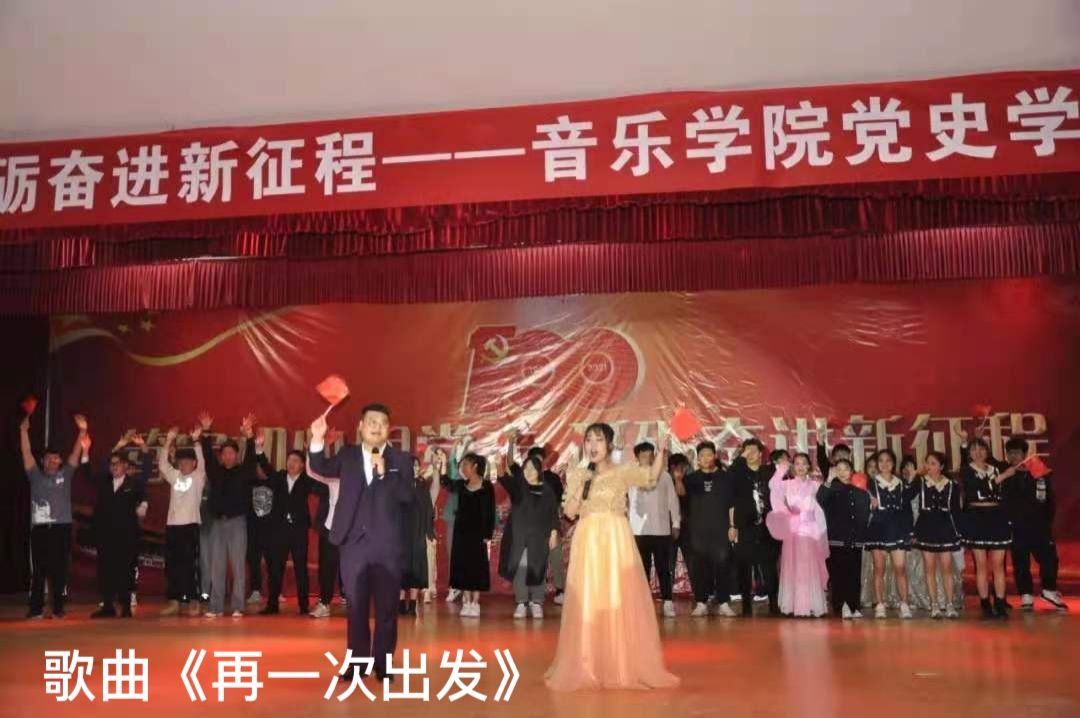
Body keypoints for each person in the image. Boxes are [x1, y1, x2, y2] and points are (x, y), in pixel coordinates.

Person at [545, 423, 678, 691]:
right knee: (589, 599)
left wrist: (662, 449)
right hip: (588, 540)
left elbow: (651, 476)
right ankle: (588, 663)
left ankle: (619, 663)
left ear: (609, 444)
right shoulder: (579, 473)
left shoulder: (623, 471)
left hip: (616, 539)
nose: (592, 445)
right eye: (588, 440)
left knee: (617, 598)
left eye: (598, 440)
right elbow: (570, 512)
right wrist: (581, 484)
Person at [308, 403, 415, 683]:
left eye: (382, 422)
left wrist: (385, 473)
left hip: (388, 547)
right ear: (360, 426)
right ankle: (357, 664)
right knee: (355, 609)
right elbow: (320, 467)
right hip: (353, 546)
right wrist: (317, 439)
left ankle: (383, 663)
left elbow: (408, 496)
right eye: (371, 421)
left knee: (387, 609)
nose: (376, 427)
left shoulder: (401, 459)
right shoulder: (348, 455)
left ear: (389, 429)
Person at [20, 413, 84, 620]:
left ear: (60, 461)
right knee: (38, 571)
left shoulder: (66, 474)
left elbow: (75, 454)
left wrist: (82, 431)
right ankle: (36, 608)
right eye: (49, 458)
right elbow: (26, 453)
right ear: (43, 461)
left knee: (59, 570)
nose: (53, 461)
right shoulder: (35, 476)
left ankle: (58, 608)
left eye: (56, 458)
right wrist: (23, 431)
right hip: (40, 528)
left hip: (61, 528)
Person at [199, 412, 258, 618]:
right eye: (224, 453)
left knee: (238, 566)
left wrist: (249, 436)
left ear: (236, 455)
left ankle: (238, 606)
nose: (227, 456)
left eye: (231, 453)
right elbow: (207, 455)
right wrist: (206, 431)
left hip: (237, 523)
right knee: (217, 567)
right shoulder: (215, 472)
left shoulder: (244, 472)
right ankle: (215, 607)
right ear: (221, 456)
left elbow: (251, 459)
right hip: (217, 523)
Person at [86, 432, 149, 618]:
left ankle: (126, 606)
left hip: (127, 536)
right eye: (111, 464)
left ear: (126, 466)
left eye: (118, 463)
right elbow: (87, 473)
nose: (114, 467)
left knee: (126, 570)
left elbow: (146, 472)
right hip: (106, 535)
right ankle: (108, 606)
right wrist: (116, 446)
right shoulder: (104, 482)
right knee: (105, 569)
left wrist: (143, 447)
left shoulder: (133, 483)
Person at [255, 438, 319, 615]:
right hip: (279, 530)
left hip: (298, 531)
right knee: (275, 568)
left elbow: (316, 473)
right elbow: (266, 467)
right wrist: (259, 448)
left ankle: (304, 606)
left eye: (296, 461)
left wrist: (310, 454)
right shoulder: (279, 477)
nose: (291, 463)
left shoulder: (306, 480)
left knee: (300, 569)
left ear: (302, 465)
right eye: (290, 460)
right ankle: (272, 605)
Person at [1004, 437, 1067, 612]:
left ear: (1025, 454)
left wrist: (1047, 522)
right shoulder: (1006, 473)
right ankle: (1026, 595)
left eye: (1016, 453)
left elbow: (1050, 501)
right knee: (1021, 562)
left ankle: (1048, 590)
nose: (1013, 457)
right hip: (1017, 527)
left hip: (1040, 527)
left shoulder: (1039, 472)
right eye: (1009, 453)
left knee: (1050, 559)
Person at [959, 436, 1016, 620]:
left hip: (997, 518)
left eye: (982, 448)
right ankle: (985, 603)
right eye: (974, 449)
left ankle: (1000, 602)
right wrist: (1003, 477)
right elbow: (980, 489)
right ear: (969, 453)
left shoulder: (995, 468)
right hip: (977, 518)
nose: (978, 452)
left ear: (987, 451)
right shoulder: (966, 470)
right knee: (981, 564)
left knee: (998, 565)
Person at [498, 453, 560, 619]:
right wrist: (499, 463)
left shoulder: (547, 490)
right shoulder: (519, 487)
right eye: (526, 468)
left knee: (538, 569)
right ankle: (522, 602)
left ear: (539, 471)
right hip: (519, 537)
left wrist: (554, 533)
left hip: (539, 538)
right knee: (520, 568)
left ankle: (537, 602)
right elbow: (503, 478)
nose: (529, 471)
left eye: (532, 469)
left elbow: (553, 513)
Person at [682, 441, 736, 617]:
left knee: (723, 565)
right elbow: (681, 498)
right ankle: (701, 602)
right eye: (702, 456)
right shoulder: (691, 479)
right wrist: (678, 478)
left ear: (715, 456)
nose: (706, 458)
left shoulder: (725, 478)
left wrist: (732, 526)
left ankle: (724, 602)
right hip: (698, 530)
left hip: (721, 528)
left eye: (709, 455)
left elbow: (731, 504)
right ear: (698, 459)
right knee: (699, 567)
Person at [158, 426, 207, 617]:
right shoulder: (174, 476)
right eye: (181, 462)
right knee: (172, 566)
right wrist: (169, 440)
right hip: (172, 527)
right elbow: (163, 464)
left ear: (194, 463)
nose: (184, 464)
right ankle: (174, 602)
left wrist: (196, 441)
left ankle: (194, 602)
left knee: (190, 566)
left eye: (188, 461)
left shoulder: (198, 477)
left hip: (190, 526)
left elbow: (203, 462)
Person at [629, 441, 681, 618]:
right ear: (637, 457)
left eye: (650, 455)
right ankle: (642, 603)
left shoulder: (664, 476)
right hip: (638, 530)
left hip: (661, 529)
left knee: (663, 568)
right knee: (641, 569)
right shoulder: (630, 476)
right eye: (643, 455)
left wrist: (676, 523)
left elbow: (672, 500)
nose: (647, 458)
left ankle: (667, 601)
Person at [730, 438, 781, 616]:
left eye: (753, 450)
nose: (750, 453)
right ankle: (746, 604)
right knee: (744, 567)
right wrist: (732, 525)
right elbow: (730, 485)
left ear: (761, 453)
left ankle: (774, 603)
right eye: (747, 451)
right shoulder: (738, 473)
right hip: (746, 526)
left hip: (768, 527)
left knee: (769, 567)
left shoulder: (769, 472)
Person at [865, 449, 917, 619]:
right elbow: (865, 504)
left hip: (898, 528)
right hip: (878, 528)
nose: (884, 464)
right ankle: (880, 604)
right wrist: (869, 504)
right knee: (879, 568)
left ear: (893, 463)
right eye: (881, 461)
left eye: (888, 460)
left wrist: (910, 531)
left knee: (900, 568)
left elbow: (908, 505)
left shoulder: (901, 483)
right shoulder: (870, 483)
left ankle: (904, 603)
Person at [911, 451, 962, 619]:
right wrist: (913, 477)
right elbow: (906, 496)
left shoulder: (951, 484)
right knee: (929, 568)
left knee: (947, 568)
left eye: (933, 463)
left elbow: (956, 510)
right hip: (926, 527)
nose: (929, 466)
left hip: (945, 528)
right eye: (927, 463)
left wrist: (958, 532)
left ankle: (949, 604)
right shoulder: (920, 482)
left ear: (941, 466)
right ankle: (934, 605)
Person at [816, 458, 869, 619]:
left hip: (855, 540)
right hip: (837, 539)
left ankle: (854, 605)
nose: (842, 472)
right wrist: (829, 479)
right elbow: (820, 499)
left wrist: (861, 536)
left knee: (854, 574)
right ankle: (842, 605)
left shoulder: (860, 492)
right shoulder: (831, 489)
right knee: (839, 574)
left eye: (846, 468)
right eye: (838, 469)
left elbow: (863, 516)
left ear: (852, 471)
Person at [444, 452, 495, 617]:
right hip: (461, 533)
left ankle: (475, 602)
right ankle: (466, 601)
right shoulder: (461, 485)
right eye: (461, 465)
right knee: (463, 567)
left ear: (475, 466)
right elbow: (448, 484)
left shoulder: (487, 486)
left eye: (465, 464)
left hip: (478, 534)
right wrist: (443, 464)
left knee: (476, 567)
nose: (462, 468)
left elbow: (490, 512)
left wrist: (488, 534)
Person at [399, 456, 436, 617]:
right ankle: (400, 603)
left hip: (418, 532)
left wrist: (429, 532)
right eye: (412, 465)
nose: (415, 468)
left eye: (416, 465)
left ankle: (413, 604)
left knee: (416, 567)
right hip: (402, 532)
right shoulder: (400, 485)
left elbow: (428, 509)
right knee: (402, 567)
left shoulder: (422, 486)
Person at [667, 453, 694, 599]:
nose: (684, 469)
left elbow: (682, 494)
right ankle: (667, 594)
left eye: (685, 467)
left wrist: (679, 480)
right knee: (669, 562)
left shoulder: (688, 480)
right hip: (668, 527)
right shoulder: (664, 481)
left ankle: (699, 593)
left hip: (687, 527)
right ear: (673, 467)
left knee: (692, 561)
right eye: (682, 467)